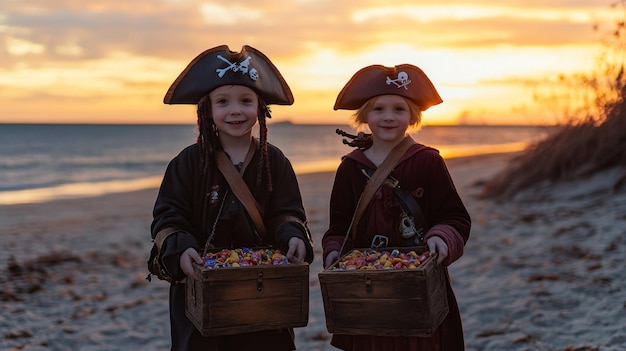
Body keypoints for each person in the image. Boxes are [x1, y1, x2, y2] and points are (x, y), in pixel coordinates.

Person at [149, 45, 314, 351]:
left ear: (260, 108)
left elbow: (288, 213)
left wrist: (293, 235)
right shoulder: (187, 162)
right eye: (222, 102)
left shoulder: (275, 161)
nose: (235, 110)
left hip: (263, 287)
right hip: (201, 284)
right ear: (206, 110)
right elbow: (168, 218)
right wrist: (181, 249)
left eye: (246, 101)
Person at [322, 64, 471, 351]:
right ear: (364, 115)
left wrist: (441, 238)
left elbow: (454, 216)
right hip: (366, 286)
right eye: (378, 109)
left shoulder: (428, 161)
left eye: (399, 109)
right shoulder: (350, 168)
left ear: (413, 116)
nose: (388, 117)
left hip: (419, 281)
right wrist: (333, 253)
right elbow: (339, 225)